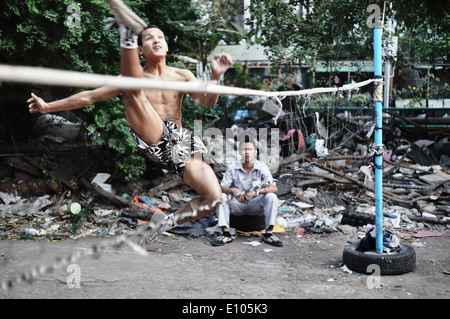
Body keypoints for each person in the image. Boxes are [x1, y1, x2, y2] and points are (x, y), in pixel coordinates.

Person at [27, 10, 233, 238]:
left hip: (183, 142)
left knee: (214, 198)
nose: (156, 40)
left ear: (167, 47)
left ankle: (162, 225)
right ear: (139, 51)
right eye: (149, 38)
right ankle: (126, 33)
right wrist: (47, 107)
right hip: (153, 135)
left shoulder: (183, 75)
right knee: (133, 88)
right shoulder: (133, 79)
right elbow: (89, 97)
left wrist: (216, 77)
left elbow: (208, 102)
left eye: (160, 38)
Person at [212, 138, 283, 247]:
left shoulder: (262, 167)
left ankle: (268, 234)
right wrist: (233, 190)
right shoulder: (233, 167)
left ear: (255, 152)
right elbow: (221, 187)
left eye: (250, 149)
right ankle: (226, 234)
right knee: (221, 196)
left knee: (271, 196)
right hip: (238, 205)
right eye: (244, 149)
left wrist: (255, 192)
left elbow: (274, 187)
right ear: (240, 152)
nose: (247, 152)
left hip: (255, 205)